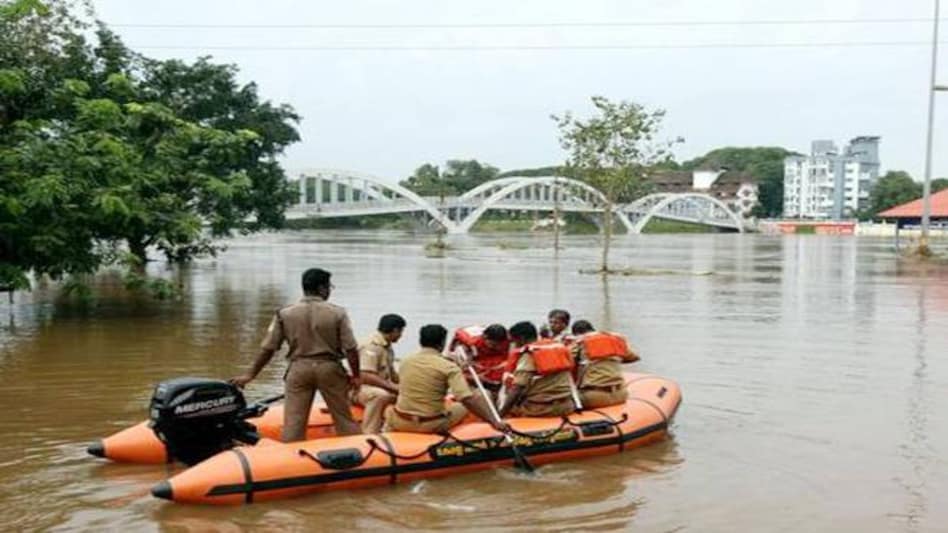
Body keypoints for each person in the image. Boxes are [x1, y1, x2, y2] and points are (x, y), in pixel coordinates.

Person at [230, 268, 362, 441]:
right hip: (329, 368)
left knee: (293, 423)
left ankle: (290, 458)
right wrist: (356, 375)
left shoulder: (285, 313)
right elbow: (350, 348)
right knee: (344, 419)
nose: (329, 291)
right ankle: (354, 453)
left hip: (298, 370)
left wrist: (250, 375)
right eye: (329, 287)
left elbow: (268, 348)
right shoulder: (337, 313)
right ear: (322, 288)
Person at [384, 324, 507, 434]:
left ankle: (384, 432)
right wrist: (494, 421)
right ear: (442, 343)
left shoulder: (405, 362)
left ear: (421, 341)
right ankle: (481, 431)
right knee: (467, 404)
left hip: (400, 420)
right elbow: (466, 399)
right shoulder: (449, 367)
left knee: (392, 410)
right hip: (430, 424)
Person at [499, 321, 576, 418]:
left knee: (506, 405)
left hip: (541, 409)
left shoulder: (530, 354)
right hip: (566, 405)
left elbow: (517, 389)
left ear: (522, 339)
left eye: (515, 341)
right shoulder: (559, 347)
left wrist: (500, 414)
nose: (514, 345)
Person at [354, 314, 405, 434]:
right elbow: (365, 375)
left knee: (406, 395)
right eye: (401, 332)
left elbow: (393, 375)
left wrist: (408, 386)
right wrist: (393, 387)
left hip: (377, 386)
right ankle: (369, 433)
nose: (401, 336)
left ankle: (394, 428)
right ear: (395, 330)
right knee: (379, 395)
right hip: (359, 388)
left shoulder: (387, 347)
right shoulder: (371, 347)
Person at [570, 320, 640, 408]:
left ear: (577, 335)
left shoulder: (579, 344)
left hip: (594, 396)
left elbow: (562, 363)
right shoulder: (614, 340)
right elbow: (635, 358)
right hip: (620, 394)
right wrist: (611, 359)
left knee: (562, 403)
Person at [449, 324, 510, 399]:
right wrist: (467, 357)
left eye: (497, 344)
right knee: (466, 370)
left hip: (497, 356)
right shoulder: (472, 340)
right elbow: (454, 345)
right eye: (492, 344)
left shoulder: (508, 340)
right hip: (476, 351)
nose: (493, 346)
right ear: (484, 338)